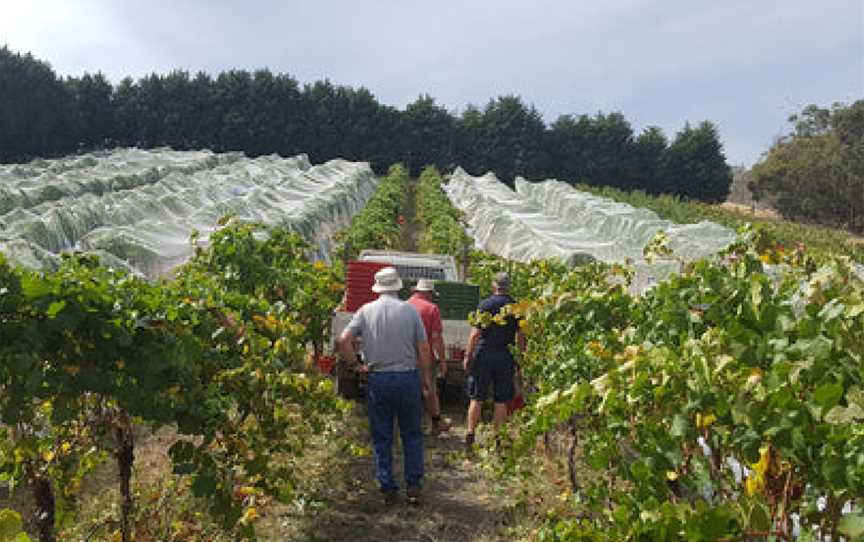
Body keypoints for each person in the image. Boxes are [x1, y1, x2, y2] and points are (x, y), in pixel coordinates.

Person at [338, 267, 432, 506]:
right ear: (398, 286)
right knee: (411, 434)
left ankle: (387, 486)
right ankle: (413, 486)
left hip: (378, 378)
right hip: (406, 377)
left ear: (377, 288)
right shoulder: (410, 312)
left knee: (382, 436)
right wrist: (425, 379)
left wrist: (357, 366)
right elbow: (423, 348)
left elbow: (343, 340)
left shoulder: (366, 311)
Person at [462, 272, 525, 450]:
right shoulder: (516, 307)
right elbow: (520, 335)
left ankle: (470, 433)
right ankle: (497, 439)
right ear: (508, 287)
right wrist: (520, 358)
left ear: (493, 286)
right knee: (501, 399)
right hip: (505, 355)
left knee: (477, 397)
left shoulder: (485, 304)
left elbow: (475, 334)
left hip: (484, 354)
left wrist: (468, 355)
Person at [406, 278, 451, 436]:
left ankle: (407, 426)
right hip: (424, 357)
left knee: (407, 392)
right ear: (430, 293)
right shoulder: (432, 309)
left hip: (403, 357)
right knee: (429, 389)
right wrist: (443, 361)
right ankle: (436, 424)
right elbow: (436, 337)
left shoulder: (404, 305)